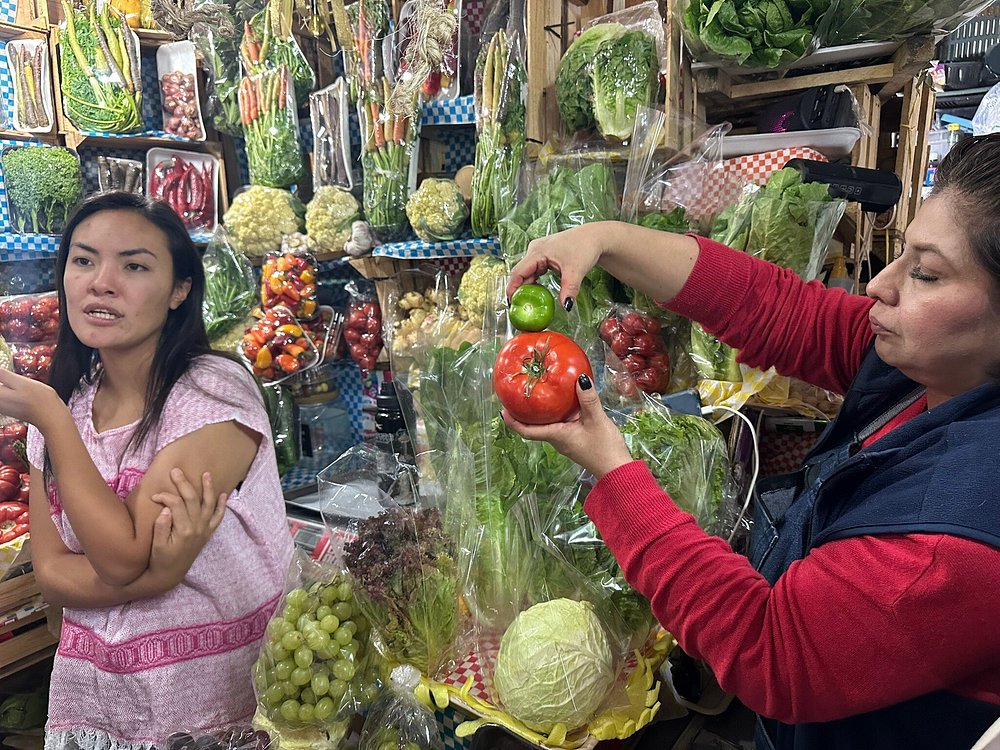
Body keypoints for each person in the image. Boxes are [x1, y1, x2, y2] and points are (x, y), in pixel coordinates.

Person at [502, 134, 1000, 750]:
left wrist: (614, 472)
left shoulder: (955, 544)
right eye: (902, 256)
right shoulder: (935, 370)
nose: (879, 287)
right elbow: (778, 309)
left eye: (925, 274)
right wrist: (606, 239)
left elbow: (773, 651)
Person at [0, 192, 294, 750]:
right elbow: (53, 575)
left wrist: (49, 419)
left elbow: (118, 555)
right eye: (83, 261)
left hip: (209, 709)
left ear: (180, 289)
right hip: (96, 705)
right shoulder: (71, 403)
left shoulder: (213, 392)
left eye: (134, 265)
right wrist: (159, 575)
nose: (101, 282)